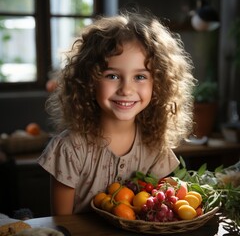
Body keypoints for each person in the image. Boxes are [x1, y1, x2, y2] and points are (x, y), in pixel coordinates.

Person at [38, 11, 196, 215]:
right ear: (88, 80)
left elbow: (154, 215)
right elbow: (61, 224)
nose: (126, 90)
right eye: (112, 75)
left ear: (159, 84)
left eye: (140, 76)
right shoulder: (70, 149)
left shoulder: (155, 146)